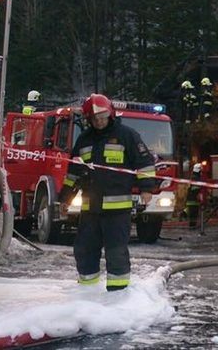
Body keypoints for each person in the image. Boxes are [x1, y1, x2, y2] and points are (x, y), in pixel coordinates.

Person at [59, 93, 156, 291]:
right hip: (90, 209)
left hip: (118, 211)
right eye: (94, 119)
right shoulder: (84, 140)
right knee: (85, 250)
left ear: (110, 114)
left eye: (102, 117)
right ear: (88, 120)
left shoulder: (127, 135)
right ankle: (87, 290)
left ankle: (118, 293)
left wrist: (146, 188)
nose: (99, 121)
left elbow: (144, 162)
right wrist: (66, 197)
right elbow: (74, 171)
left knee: (116, 251)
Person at [186, 163, 203, 229]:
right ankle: (192, 226)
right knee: (193, 214)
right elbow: (195, 189)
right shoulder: (196, 178)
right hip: (193, 199)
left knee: (192, 213)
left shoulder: (194, 177)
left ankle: (192, 225)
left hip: (192, 199)